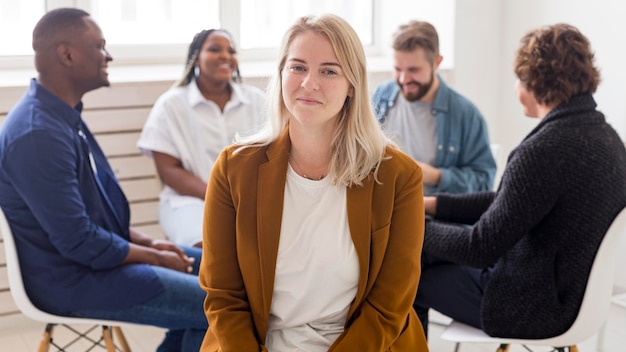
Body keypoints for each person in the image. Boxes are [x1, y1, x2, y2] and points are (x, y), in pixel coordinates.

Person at [199, 14, 428, 351]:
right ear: (281, 74)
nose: (309, 83)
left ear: (352, 85)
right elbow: (224, 297)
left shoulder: (398, 176)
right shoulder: (234, 169)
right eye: (298, 67)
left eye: (329, 70)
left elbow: (389, 305)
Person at [0, 8, 207, 351]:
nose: (108, 55)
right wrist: (153, 257)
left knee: (221, 273)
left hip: (94, 264)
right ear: (67, 54)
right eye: (99, 46)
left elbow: (95, 216)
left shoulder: (61, 116)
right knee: (218, 306)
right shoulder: (38, 134)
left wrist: (152, 245)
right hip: (74, 280)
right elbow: (79, 241)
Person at [413, 23, 626, 339]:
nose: (516, 87)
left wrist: (412, 224)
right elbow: (510, 202)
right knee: (424, 251)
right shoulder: (607, 138)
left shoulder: (543, 150)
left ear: (535, 82)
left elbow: (479, 248)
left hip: (530, 307)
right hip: (570, 296)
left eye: (519, 78)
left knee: (406, 272)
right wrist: (431, 205)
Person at [137, 28, 266, 248]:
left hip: (251, 200)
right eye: (215, 49)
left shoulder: (256, 100)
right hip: (190, 201)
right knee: (208, 246)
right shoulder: (171, 104)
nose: (226, 56)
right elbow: (168, 170)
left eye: (231, 51)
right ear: (196, 57)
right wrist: (220, 197)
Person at [372, 20, 496, 195]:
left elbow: (484, 183)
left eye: (414, 70)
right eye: (398, 69)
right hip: (381, 208)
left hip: (431, 216)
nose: (403, 79)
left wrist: (435, 176)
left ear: (437, 62)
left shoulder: (466, 115)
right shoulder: (380, 96)